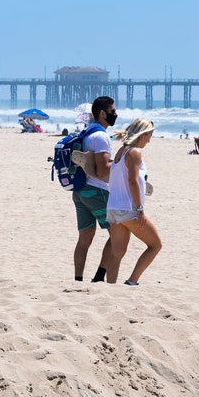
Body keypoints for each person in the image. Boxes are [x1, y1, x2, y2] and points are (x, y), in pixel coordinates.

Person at [107, 118, 162, 285]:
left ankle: (110, 288)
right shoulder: (135, 153)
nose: (149, 140)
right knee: (155, 245)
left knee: (117, 253)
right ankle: (132, 281)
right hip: (128, 209)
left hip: (113, 208)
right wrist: (139, 209)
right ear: (141, 135)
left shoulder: (120, 152)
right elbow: (133, 182)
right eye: (149, 136)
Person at [72, 96, 119, 283]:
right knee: (118, 233)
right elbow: (101, 171)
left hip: (80, 191)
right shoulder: (101, 137)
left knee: (85, 237)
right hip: (96, 191)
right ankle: (99, 278)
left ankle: (77, 280)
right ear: (102, 113)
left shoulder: (87, 132)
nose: (115, 114)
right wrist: (119, 167)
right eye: (113, 111)